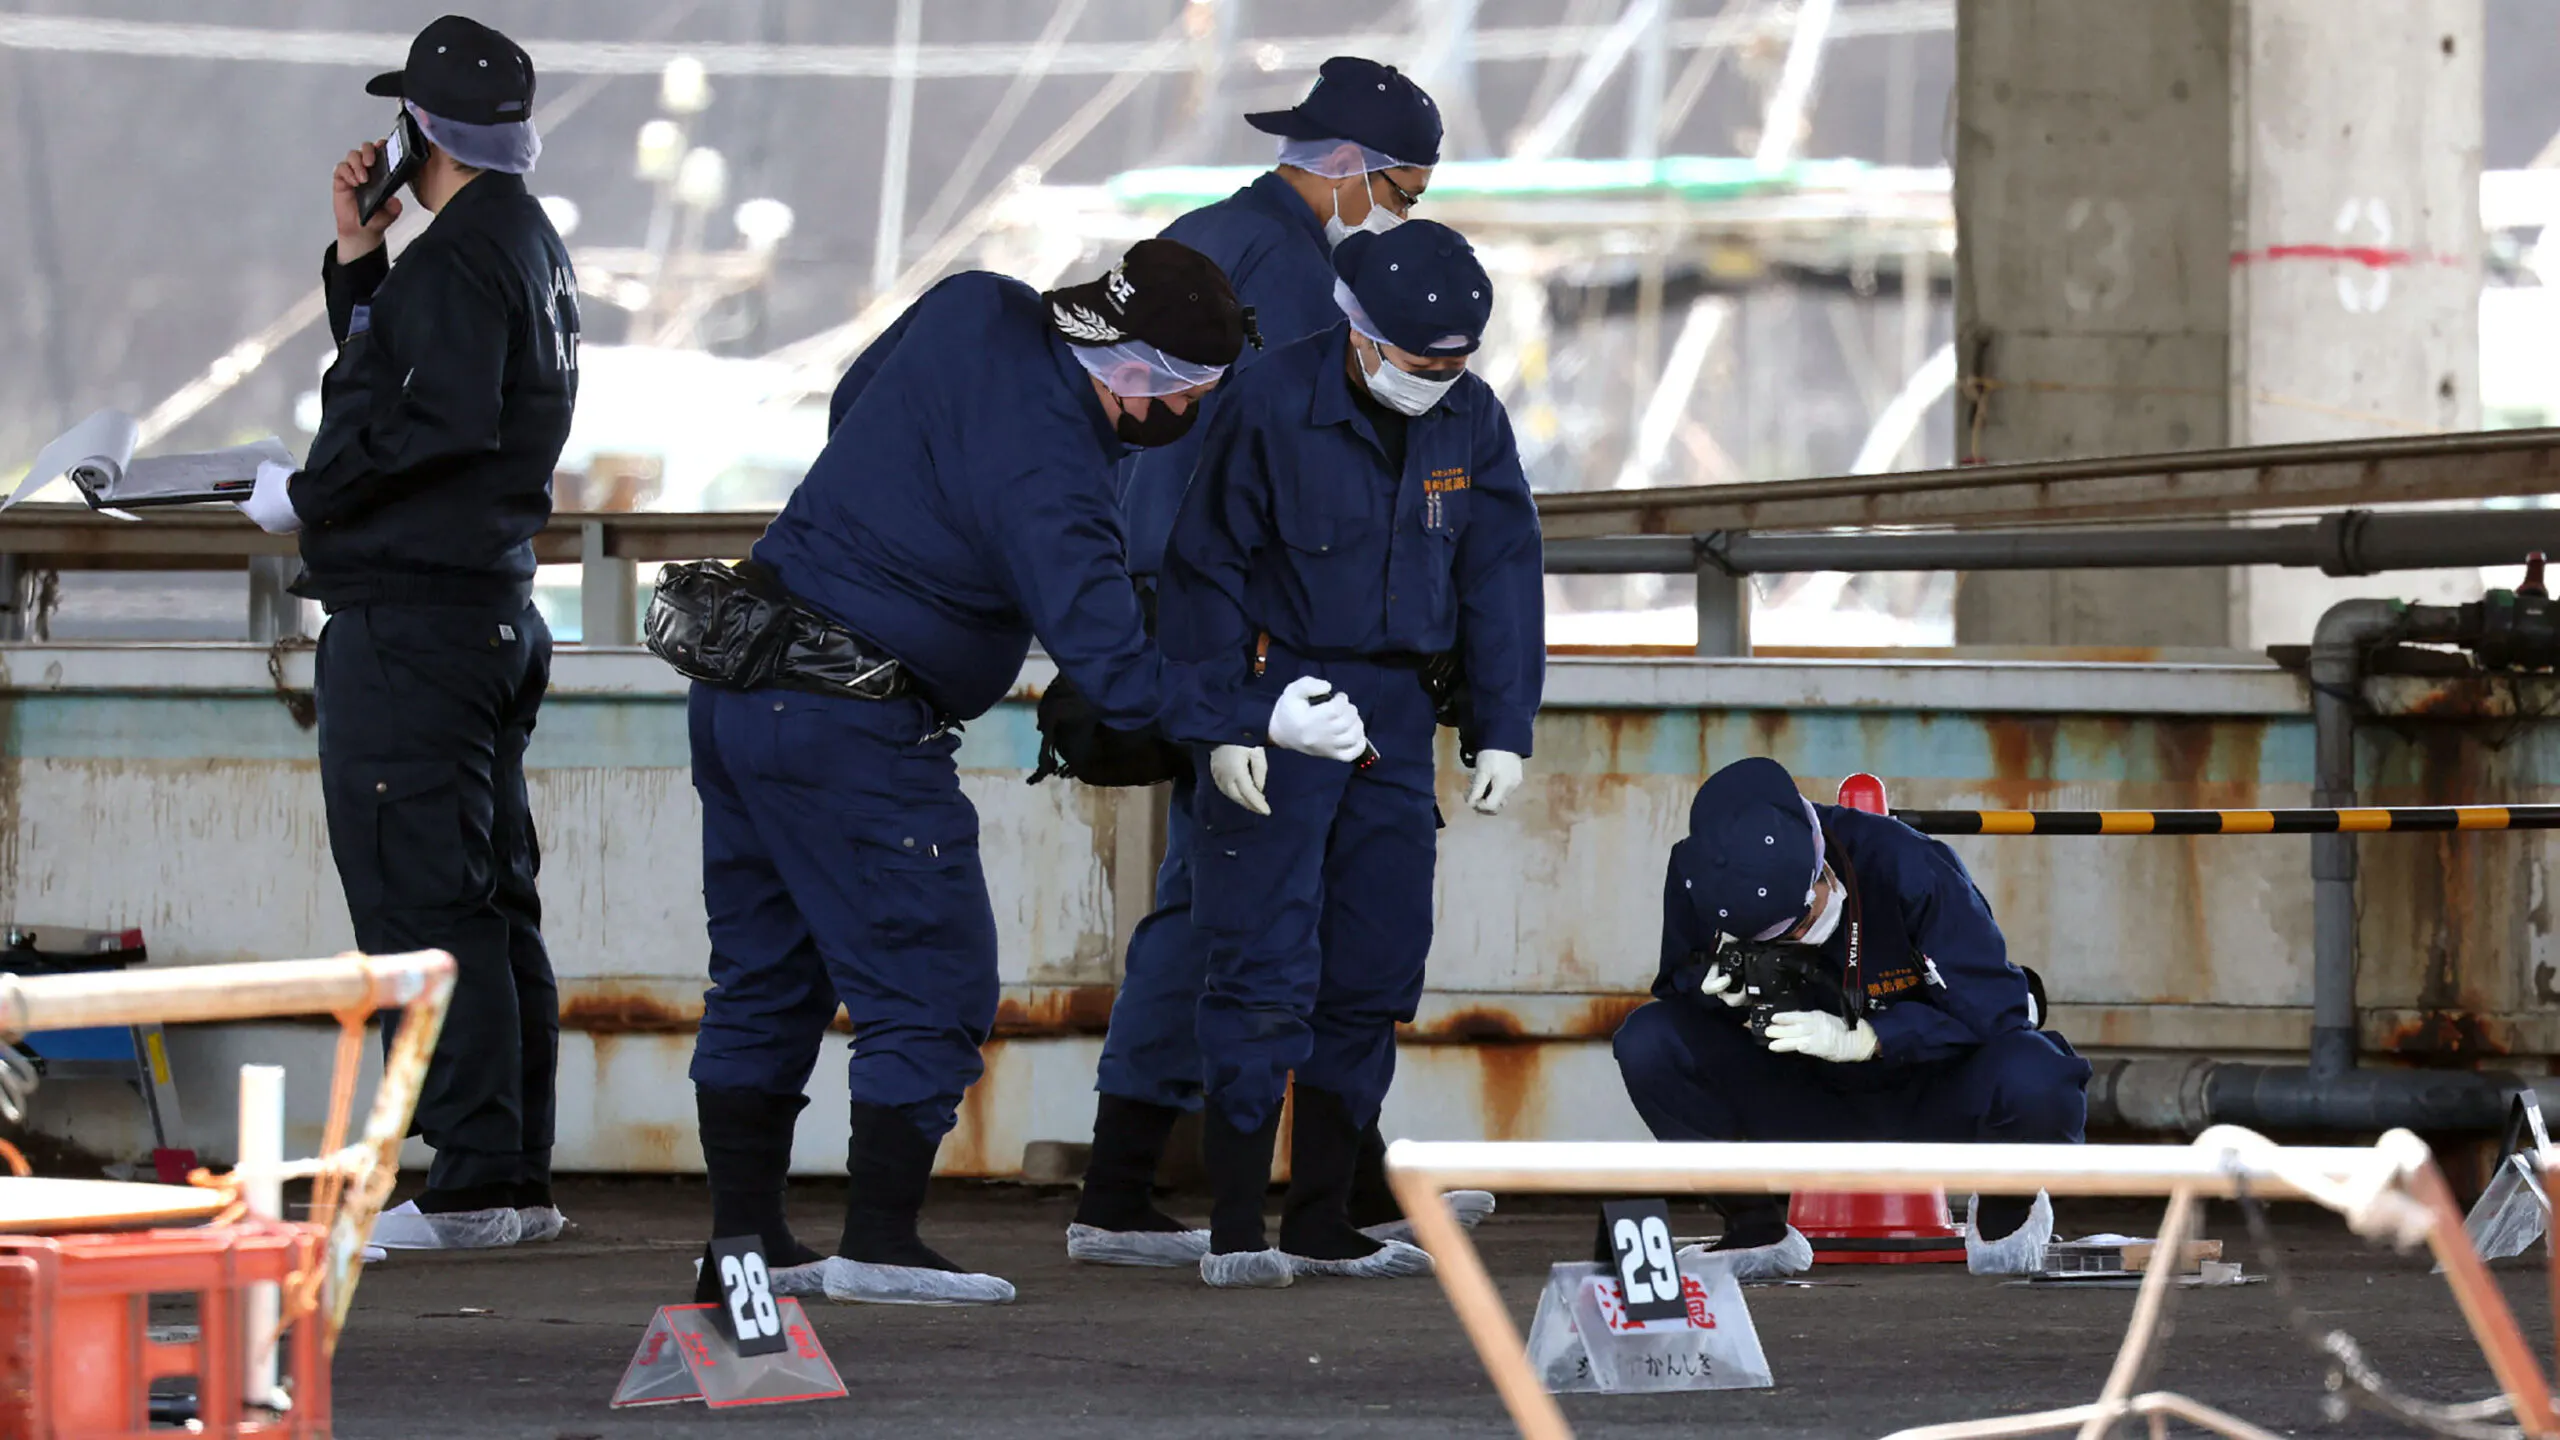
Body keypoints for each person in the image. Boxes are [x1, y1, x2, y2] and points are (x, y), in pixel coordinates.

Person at [677, 239, 1374, 1308]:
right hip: (853, 724)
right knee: (931, 978)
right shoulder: (1054, 484)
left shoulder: (976, 305)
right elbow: (1121, 677)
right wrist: (1264, 710)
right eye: (1194, 393)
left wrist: (912, 508)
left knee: (763, 973)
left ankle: (747, 1242)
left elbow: (856, 401)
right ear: (1143, 381)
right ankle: (878, 1242)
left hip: (738, 691)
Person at [1074, 55, 1499, 1268]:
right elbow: (1329, 475)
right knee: (1261, 908)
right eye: (1405, 193)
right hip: (1262, 631)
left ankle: (1134, 1182)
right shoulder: (1312, 282)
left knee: (1209, 901)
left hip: (1166, 595)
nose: (1404, 217)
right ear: (1355, 170)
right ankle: (1327, 1189)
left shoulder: (1203, 233)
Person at [234, 14, 579, 1252]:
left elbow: (419, 428)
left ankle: (476, 1183)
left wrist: (302, 496)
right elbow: (424, 389)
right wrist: (357, 261)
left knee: (421, 902)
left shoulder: (456, 265)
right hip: (490, 611)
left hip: (413, 628)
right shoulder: (523, 247)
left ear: (415, 131)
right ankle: (515, 1174)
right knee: (490, 899)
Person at [1155, 220, 1545, 1288]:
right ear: (1360, 336)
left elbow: (1501, 576)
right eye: (1423, 362)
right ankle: (1238, 1225)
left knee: (1373, 963)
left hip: (1399, 715)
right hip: (1286, 693)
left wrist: (1502, 727)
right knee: (1260, 959)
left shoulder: (1470, 416)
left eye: (1458, 362)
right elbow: (1203, 573)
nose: (1442, 380)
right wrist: (1225, 719)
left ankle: (1324, 1218)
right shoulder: (1268, 402)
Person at [1610, 757, 2093, 1278]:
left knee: (2039, 1074)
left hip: (1928, 1085)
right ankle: (1753, 1229)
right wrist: (1710, 989)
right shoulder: (1698, 873)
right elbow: (1677, 981)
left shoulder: (1907, 864)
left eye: (1798, 925)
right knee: (1648, 1038)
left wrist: (1873, 1037)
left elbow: (1997, 1008)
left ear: (1821, 867)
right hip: (1799, 1091)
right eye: (1770, 939)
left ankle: (2003, 1212)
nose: (1794, 941)